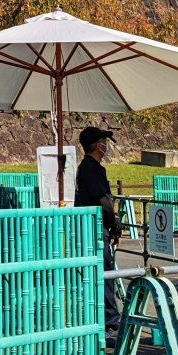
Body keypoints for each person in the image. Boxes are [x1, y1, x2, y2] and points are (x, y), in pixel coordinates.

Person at [75, 125, 121, 333]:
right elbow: (103, 201)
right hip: (95, 229)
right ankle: (110, 321)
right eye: (105, 143)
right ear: (99, 146)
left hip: (90, 228)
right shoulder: (90, 169)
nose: (107, 146)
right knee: (104, 274)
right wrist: (116, 227)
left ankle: (103, 317)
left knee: (99, 273)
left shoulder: (87, 168)